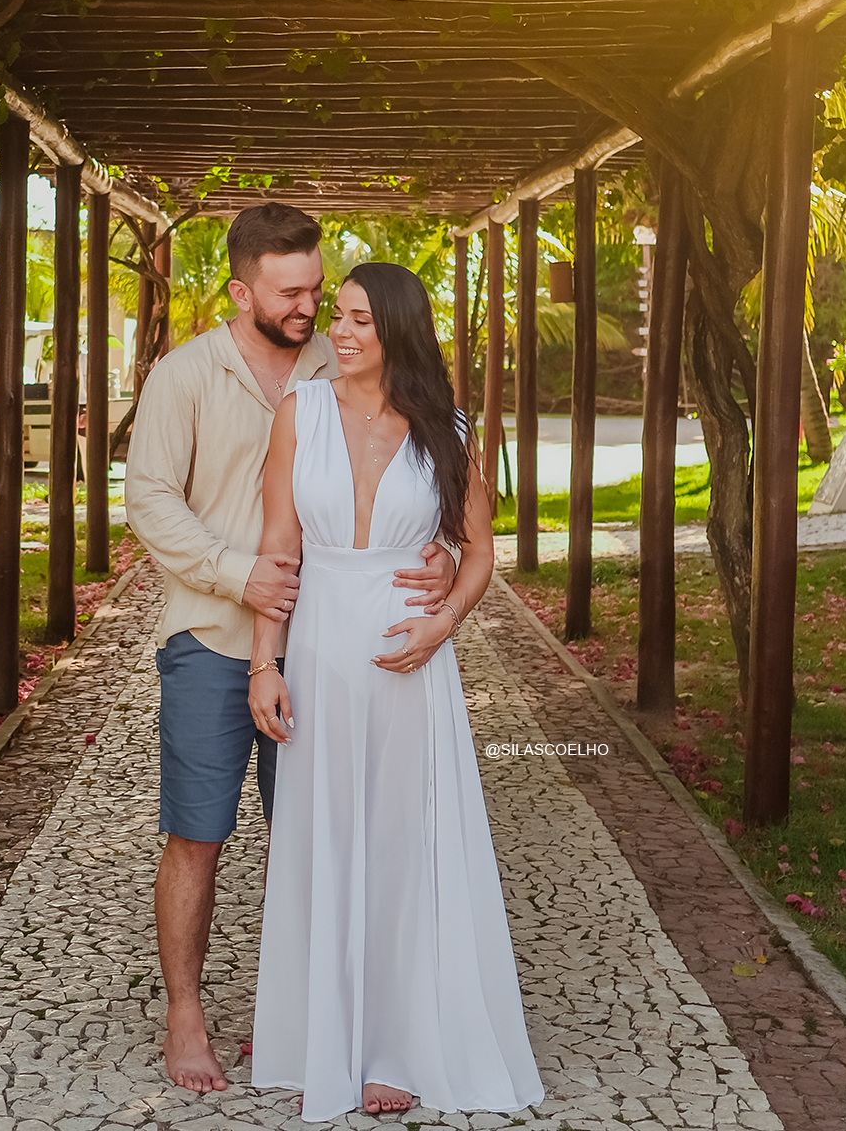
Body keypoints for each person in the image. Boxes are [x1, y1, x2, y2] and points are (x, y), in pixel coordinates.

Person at [125, 207, 458, 1096]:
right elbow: (150, 501)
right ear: (242, 290)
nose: (313, 307)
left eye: (319, 288)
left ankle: (319, 1012)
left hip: (325, 648)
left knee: (312, 833)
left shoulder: (345, 357)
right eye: (293, 292)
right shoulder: (184, 375)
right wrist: (243, 577)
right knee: (197, 833)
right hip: (212, 637)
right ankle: (186, 1015)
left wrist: (442, 554)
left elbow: (421, 478)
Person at [248, 263, 545, 1121]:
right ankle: (325, 1038)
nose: (338, 333)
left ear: (399, 333)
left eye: (360, 322)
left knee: (404, 848)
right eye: (336, 317)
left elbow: (480, 549)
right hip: (319, 655)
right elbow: (279, 551)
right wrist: (265, 663)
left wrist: (443, 620)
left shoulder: (446, 427)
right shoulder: (298, 415)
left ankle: (394, 1047)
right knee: (324, 838)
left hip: (413, 665)